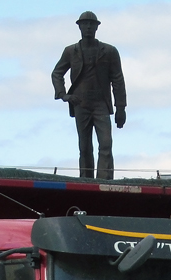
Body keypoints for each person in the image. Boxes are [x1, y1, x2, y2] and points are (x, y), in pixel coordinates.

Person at [51, 11, 127, 180]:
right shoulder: (71, 51)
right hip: (81, 102)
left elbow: (118, 79)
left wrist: (120, 107)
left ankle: (104, 181)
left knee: (106, 144)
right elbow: (57, 73)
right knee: (84, 147)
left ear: (97, 27)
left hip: (101, 103)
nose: (88, 27)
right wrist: (64, 95)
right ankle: (86, 181)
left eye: (91, 24)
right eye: (84, 24)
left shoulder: (109, 51)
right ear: (79, 26)